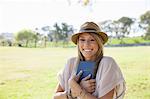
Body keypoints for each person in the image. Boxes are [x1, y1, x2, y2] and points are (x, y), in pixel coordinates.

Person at [53, 22, 126, 99]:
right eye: (82, 40)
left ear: (99, 43)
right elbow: (55, 97)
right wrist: (72, 93)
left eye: (92, 40)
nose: (86, 44)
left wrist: (80, 91)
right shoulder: (71, 63)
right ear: (78, 43)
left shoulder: (107, 63)